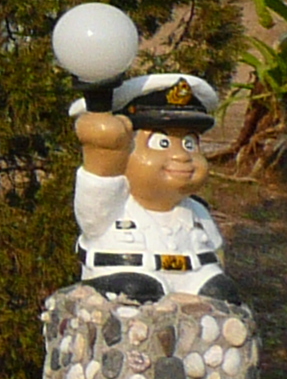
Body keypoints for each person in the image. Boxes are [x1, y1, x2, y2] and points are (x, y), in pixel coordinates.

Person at [69, 72, 234, 302]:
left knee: (220, 294)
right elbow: (98, 184)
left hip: (194, 277)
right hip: (131, 274)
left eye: (189, 144)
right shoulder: (113, 205)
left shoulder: (196, 211)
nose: (181, 156)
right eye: (162, 143)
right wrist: (102, 151)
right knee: (136, 290)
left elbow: (216, 251)